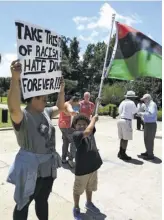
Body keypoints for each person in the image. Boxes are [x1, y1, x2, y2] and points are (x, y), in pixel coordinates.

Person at [7, 59, 66, 220]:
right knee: (23, 204)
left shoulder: (45, 111)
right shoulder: (23, 116)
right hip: (31, 170)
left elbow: (60, 107)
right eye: (43, 98)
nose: (46, 100)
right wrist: (15, 78)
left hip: (47, 168)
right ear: (33, 98)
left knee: (42, 201)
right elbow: (13, 107)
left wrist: (61, 90)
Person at [71, 114, 103, 220]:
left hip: (93, 166)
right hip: (82, 169)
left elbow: (91, 129)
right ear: (74, 126)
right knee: (78, 190)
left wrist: (93, 119)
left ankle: (89, 203)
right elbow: (87, 131)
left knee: (90, 187)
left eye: (84, 124)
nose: (81, 126)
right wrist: (93, 120)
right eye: (79, 124)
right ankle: (76, 207)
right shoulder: (76, 135)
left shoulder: (90, 130)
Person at [58, 95, 80, 168]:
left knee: (66, 141)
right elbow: (70, 110)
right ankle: (71, 159)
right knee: (74, 140)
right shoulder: (68, 105)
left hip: (62, 126)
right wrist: (74, 112)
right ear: (73, 101)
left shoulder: (65, 103)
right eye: (75, 103)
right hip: (65, 126)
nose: (75, 105)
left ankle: (63, 158)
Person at [117, 91, 138, 161]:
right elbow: (135, 112)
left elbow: (119, 111)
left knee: (122, 138)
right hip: (127, 121)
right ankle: (123, 154)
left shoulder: (123, 102)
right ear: (132, 97)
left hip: (120, 120)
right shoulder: (132, 103)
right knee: (125, 139)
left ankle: (120, 152)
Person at [138, 94, 157, 160]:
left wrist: (141, 113)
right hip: (148, 124)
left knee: (149, 140)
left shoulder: (152, 104)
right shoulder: (148, 104)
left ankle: (150, 155)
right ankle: (148, 152)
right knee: (146, 139)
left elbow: (151, 114)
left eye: (144, 100)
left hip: (151, 124)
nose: (143, 101)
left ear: (147, 99)